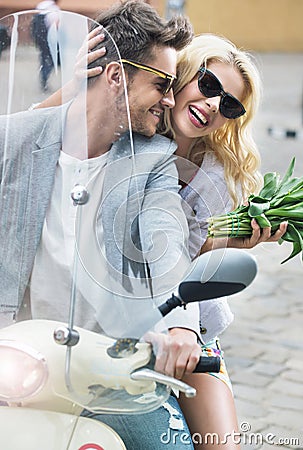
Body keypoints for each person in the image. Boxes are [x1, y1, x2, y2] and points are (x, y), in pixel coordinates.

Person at [0, 2, 205, 449]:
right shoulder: (14, 140)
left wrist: (183, 324)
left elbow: (165, 240)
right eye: (161, 85)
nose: (170, 100)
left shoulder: (152, 160)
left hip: (111, 370)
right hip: (20, 363)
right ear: (115, 77)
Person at [158, 33, 288, 449]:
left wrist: (232, 243)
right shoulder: (127, 131)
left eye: (228, 104)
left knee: (221, 444)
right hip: (113, 312)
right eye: (209, 85)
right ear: (183, 73)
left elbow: (185, 261)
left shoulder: (214, 173)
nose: (213, 104)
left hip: (187, 322)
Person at [31, 0, 61, 91]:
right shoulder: (54, 9)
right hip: (48, 37)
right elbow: (55, 25)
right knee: (49, 58)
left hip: (39, 37)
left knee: (44, 57)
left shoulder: (41, 5)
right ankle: (45, 78)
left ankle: (43, 78)